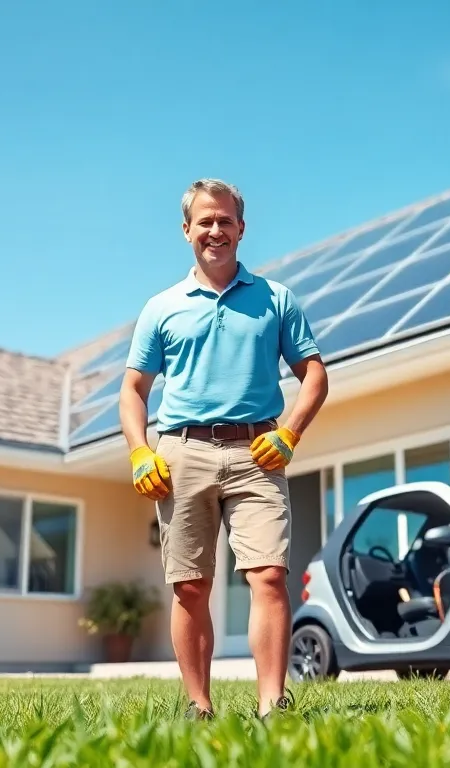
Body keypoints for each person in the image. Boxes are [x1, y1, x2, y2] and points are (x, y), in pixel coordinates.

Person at [120, 178, 329, 720]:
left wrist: (289, 433)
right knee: (190, 587)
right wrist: (141, 452)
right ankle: (198, 705)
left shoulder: (275, 299)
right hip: (181, 453)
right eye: (205, 221)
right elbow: (134, 391)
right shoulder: (161, 308)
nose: (216, 230)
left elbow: (314, 374)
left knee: (268, 575)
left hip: (257, 451)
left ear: (241, 227)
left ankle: (271, 704)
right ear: (187, 230)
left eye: (226, 220)